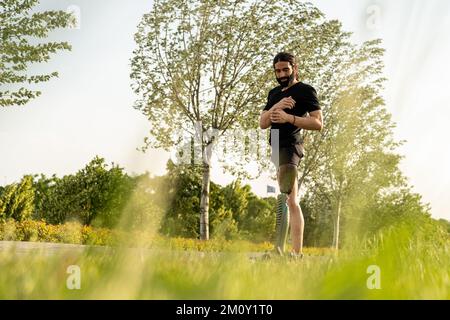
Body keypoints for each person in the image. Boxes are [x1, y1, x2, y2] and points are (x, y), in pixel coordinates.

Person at [259, 52, 323, 259]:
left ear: (295, 68)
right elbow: (263, 123)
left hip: (291, 145)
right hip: (276, 145)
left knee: (286, 196)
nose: (281, 74)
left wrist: (289, 118)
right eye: (278, 71)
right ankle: (294, 254)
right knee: (291, 200)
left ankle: (283, 251)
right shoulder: (274, 93)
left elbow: (317, 123)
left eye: (286, 69)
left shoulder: (305, 90)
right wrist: (277, 107)